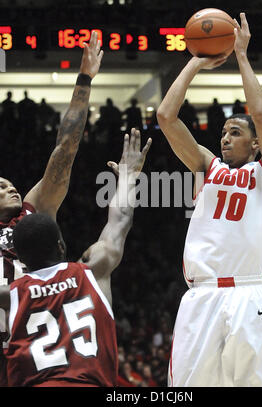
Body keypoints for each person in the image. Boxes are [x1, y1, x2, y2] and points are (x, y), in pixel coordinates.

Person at [157, 13, 262, 387]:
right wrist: (196, 60)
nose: (225, 138)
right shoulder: (206, 167)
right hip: (201, 294)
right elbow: (166, 116)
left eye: (235, 132)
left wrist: (242, 56)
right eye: (222, 133)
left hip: (249, 292)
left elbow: (260, 114)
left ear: (256, 144)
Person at [0, 129, 152, 387]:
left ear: (20, 257)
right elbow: (119, 224)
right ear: (61, 245)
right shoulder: (91, 272)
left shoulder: (11, 295)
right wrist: (128, 178)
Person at [0, 30, 103, 385]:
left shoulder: (34, 210)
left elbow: (66, 148)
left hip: (35, 341)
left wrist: (84, 80)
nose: (10, 186)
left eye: (10, 182)